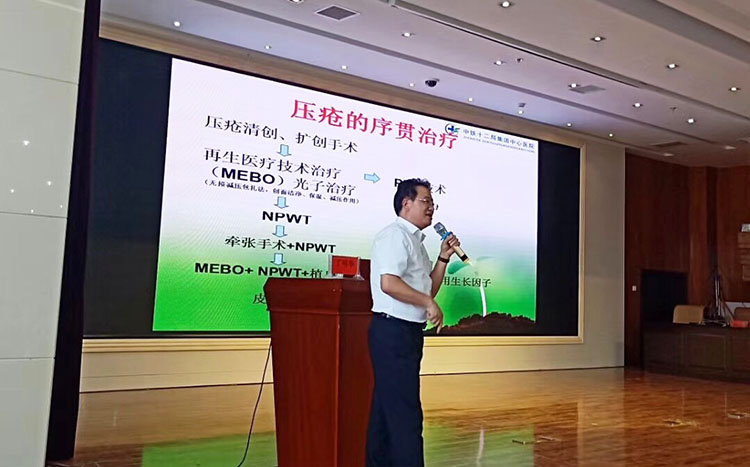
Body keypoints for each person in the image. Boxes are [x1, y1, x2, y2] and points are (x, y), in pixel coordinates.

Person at [366, 178, 460, 467]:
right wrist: (427, 304)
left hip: (407, 333)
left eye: (433, 203)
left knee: (386, 412)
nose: (431, 208)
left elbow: (426, 291)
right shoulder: (394, 236)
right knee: (406, 415)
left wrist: (443, 258)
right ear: (406, 204)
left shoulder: (416, 242)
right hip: (392, 331)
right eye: (426, 201)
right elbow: (389, 283)